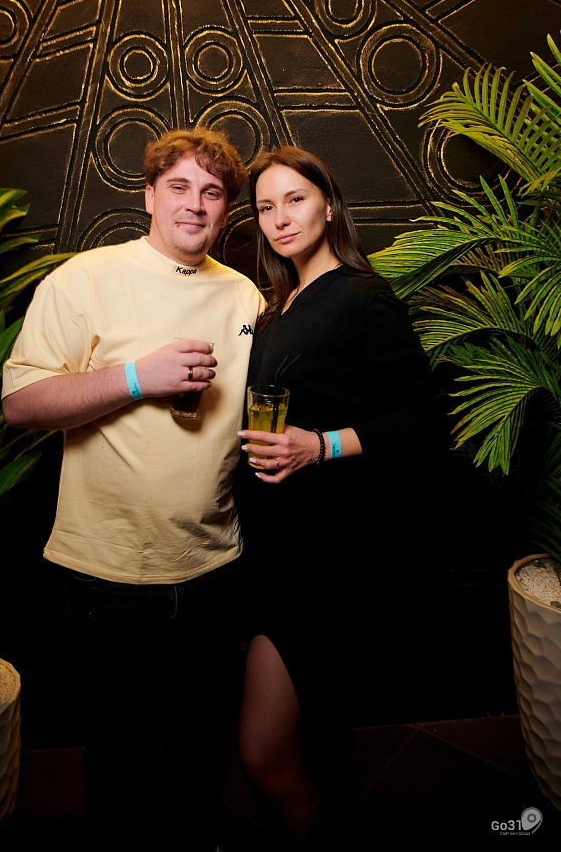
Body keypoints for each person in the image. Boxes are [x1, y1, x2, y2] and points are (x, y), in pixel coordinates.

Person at [1, 128, 264, 852]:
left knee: (202, 745)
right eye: (178, 187)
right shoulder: (85, 279)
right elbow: (20, 404)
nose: (194, 204)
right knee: (119, 752)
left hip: (214, 565)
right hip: (108, 571)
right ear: (148, 196)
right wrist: (134, 378)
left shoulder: (243, 294)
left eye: (212, 193)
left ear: (226, 211)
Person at [233, 146, 449, 848]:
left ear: (328, 205)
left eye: (295, 199)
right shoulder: (275, 310)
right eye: (266, 207)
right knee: (320, 744)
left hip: (327, 557)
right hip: (272, 548)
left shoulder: (362, 296)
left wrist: (319, 445)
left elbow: (421, 420)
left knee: (270, 751)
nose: (279, 218)